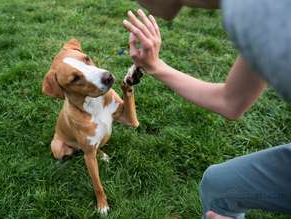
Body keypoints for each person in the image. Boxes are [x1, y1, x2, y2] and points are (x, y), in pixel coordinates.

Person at [122, 1, 291, 219]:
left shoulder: (265, 13)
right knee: (218, 184)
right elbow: (231, 102)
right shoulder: (262, 12)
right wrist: (155, 65)